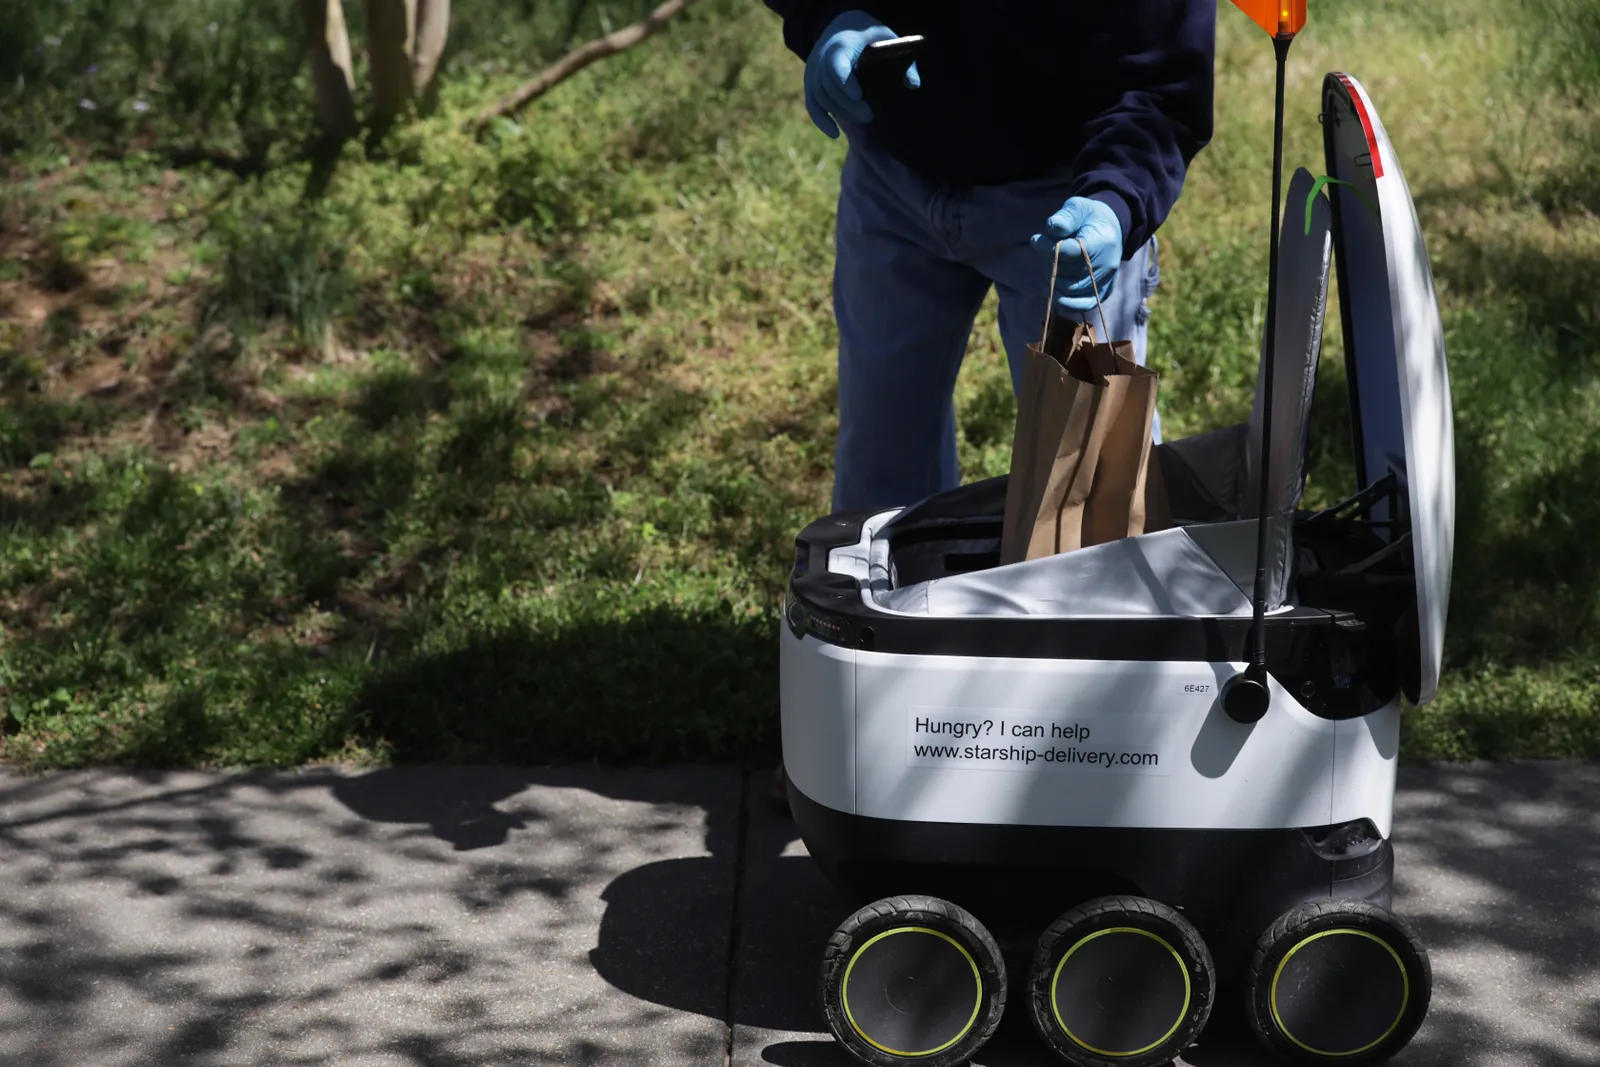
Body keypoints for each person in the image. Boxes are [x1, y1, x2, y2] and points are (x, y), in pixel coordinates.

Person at [763, 1, 1217, 810]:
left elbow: (1161, 84)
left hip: (1067, 203)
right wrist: (824, 14)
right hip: (892, 177)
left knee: (1091, 510)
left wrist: (1115, 204)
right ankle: (875, 749)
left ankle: (1109, 767)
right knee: (878, 479)